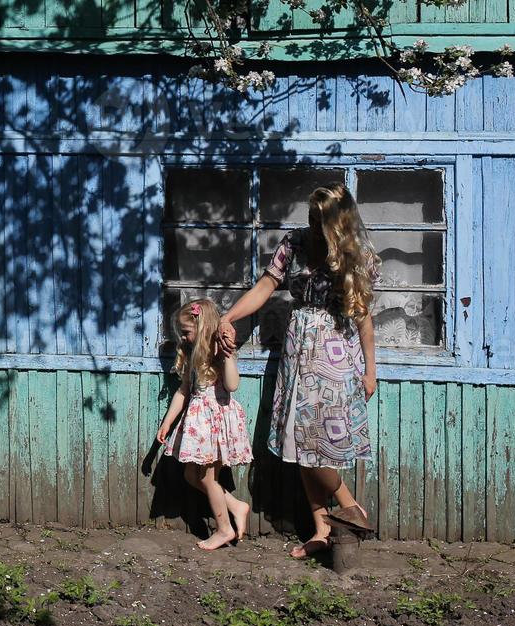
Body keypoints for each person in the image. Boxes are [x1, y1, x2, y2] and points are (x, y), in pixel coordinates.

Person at [217, 183, 378, 559]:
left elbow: (365, 319)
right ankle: (323, 527)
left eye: (318, 219)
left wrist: (371, 371)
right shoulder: (294, 244)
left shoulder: (358, 255)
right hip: (298, 352)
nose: (310, 224)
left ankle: (350, 507)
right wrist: (230, 315)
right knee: (299, 441)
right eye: (310, 216)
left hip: (336, 355)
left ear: (336, 223)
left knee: (320, 446)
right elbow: (265, 286)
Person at [156, 297, 253, 550]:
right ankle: (235, 506)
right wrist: (167, 422)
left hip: (215, 422)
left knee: (207, 478)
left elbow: (232, 385)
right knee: (192, 475)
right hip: (200, 423)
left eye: (187, 332)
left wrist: (229, 356)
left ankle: (224, 529)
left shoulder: (218, 351)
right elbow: (183, 391)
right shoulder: (192, 355)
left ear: (201, 327)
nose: (184, 338)